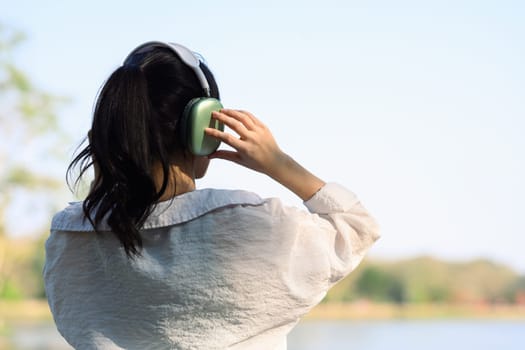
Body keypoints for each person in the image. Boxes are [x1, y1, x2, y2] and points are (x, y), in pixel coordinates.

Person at [44, 41, 380, 350]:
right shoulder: (247, 225)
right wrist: (279, 163)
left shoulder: (69, 240)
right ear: (203, 128)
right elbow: (355, 227)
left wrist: (107, 166)